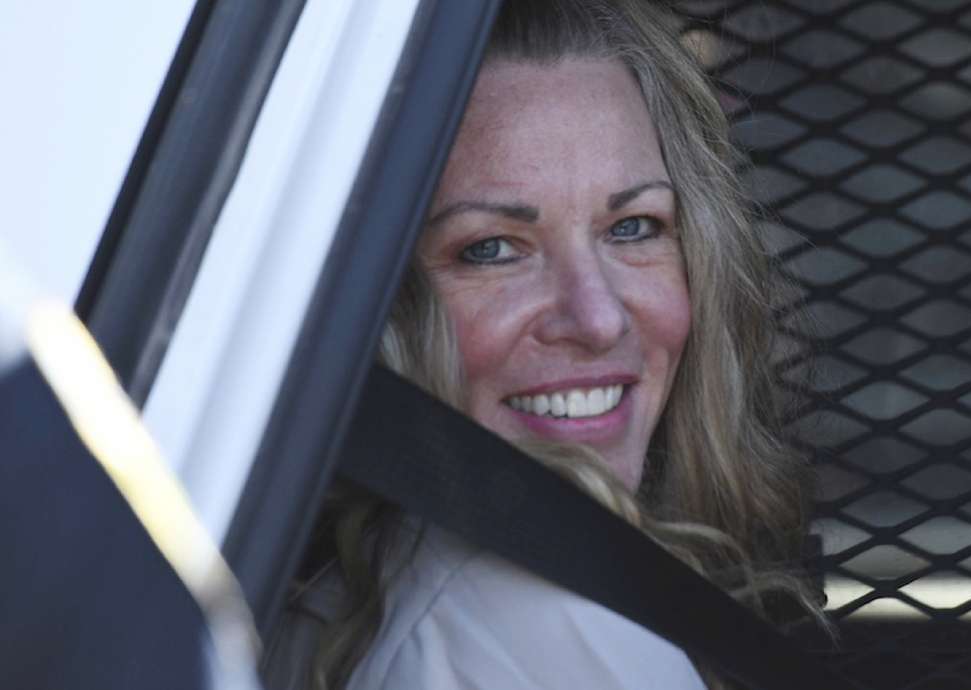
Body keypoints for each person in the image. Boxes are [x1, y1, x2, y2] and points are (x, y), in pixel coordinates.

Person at [262, 0, 824, 688]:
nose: (598, 320)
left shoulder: (342, 591)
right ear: (371, 298)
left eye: (632, 228)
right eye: (491, 249)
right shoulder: (543, 626)